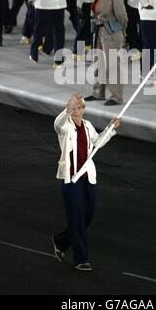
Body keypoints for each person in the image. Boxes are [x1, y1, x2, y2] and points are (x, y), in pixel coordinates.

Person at [52, 93, 120, 271]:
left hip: (87, 177)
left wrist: (110, 129)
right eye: (73, 107)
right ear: (69, 108)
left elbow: (97, 143)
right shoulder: (65, 126)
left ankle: (61, 241)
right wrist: (67, 108)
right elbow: (57, 124)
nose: (76, 110)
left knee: (87, 215)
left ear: (83, 109)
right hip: (71, 179)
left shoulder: (88, 126)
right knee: (77, 217)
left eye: (79, 107)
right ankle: (80, 258)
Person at [85, 0, 128, 106]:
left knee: (113, 65)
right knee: (99, 63)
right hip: (100, 31)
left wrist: (122, 31)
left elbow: (122, 16)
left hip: (111, 32)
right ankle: (98, 93)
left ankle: (116, 97)